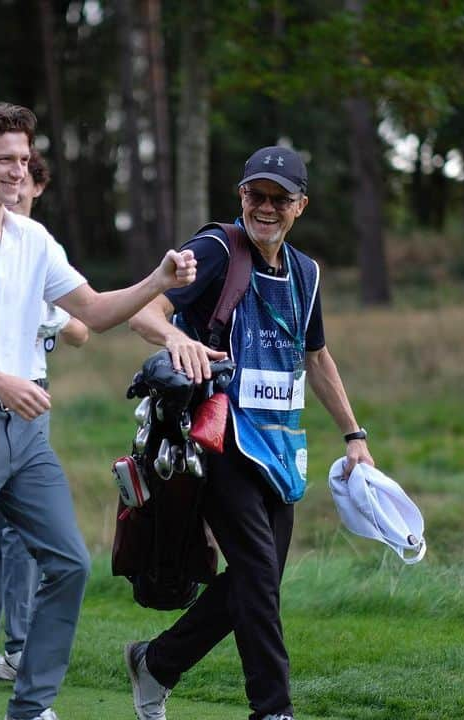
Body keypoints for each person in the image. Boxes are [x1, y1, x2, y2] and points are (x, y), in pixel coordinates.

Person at [0, 101, 196, 720]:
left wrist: (158, 281)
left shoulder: (32, 238)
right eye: (5, 159)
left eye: (24, 160)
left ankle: (29, 709)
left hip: (26, 433)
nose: (17, 171)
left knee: (68, 564)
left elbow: (95, 310)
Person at [124, 145, 374, 720]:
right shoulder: (215, 249)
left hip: (281, 448)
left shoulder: (306, 273)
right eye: (255, 196)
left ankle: (156, 663)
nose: (265, 208)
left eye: (279, 199)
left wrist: (354, 435)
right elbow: (144, 310)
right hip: (217, 437)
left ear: (300, 206)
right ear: (241, 197)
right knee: (259, 579)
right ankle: (273, 710)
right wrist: (176, 338)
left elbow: (317, 357)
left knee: (255, 585)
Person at [0, 149, 89, 680]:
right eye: (13, 174)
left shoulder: (40, 246)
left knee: (23, 536)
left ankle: (17, 644)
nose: (19, 187)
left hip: (29, 405)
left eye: (30, 180)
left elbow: (83, 326)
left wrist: (46, 322)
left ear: (37, 188)